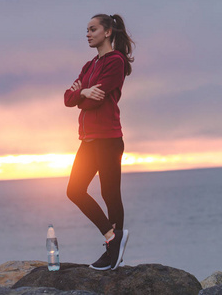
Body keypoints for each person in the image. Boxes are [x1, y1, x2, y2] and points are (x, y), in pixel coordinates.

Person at [64, 14, 135, 271]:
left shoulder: (115, 62)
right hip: (88, 141)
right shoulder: (89, 65)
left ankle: (113, 252)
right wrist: (82, 92)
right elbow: (67, 97)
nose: (88, 34)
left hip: (108, 140)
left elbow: (97, 101)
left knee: (110, 194)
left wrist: (81, 96)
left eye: (93, 29)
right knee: (74, 190)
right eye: (86, 30)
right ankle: (111, 236)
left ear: (107, 32)